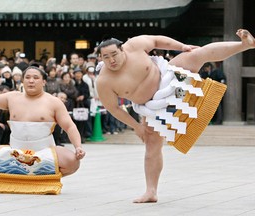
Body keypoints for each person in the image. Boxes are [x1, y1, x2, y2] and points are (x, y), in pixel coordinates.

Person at [95, 29, 255, 203]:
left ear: (122, 49)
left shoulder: (135, 45)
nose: (111, 60)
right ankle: (151, 191)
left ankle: (244, 45)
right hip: (151, 107)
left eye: (114, 54)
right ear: (100, 59)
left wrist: (182, 46)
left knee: (197, 53)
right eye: (106, 57)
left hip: (169, 77)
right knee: (152, 148)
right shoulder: (104, 81)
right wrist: (136, 126)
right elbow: (113, 109)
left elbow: (156, 40)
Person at [0, 66, 85, 178]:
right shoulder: (12, 97)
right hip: (15, 152)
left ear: (43, 82)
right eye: (27, 77)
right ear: (22, 81)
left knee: (72, 162)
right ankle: (13, 176)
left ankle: (44, 177)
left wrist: (78, 147)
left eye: (36, 77)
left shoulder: (54, 102)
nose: (31, 80)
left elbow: (69, 126)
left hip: (44, 151)